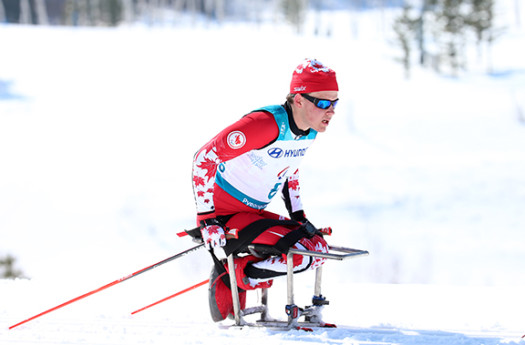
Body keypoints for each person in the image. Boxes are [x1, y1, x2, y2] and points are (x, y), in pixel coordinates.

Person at [191, 58, 339, 322]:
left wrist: (300, 217)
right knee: (302, 254)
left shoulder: (308, 129)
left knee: (318, 248)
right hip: (225, 215)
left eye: (335, 102)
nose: (331, 111)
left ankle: (240, 271)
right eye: (324, 103)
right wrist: (207, 220)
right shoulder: (265, 124)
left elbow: (289, 170)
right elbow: (204, 158)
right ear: (299, 99)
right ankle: (234, 272)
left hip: (253, 212)